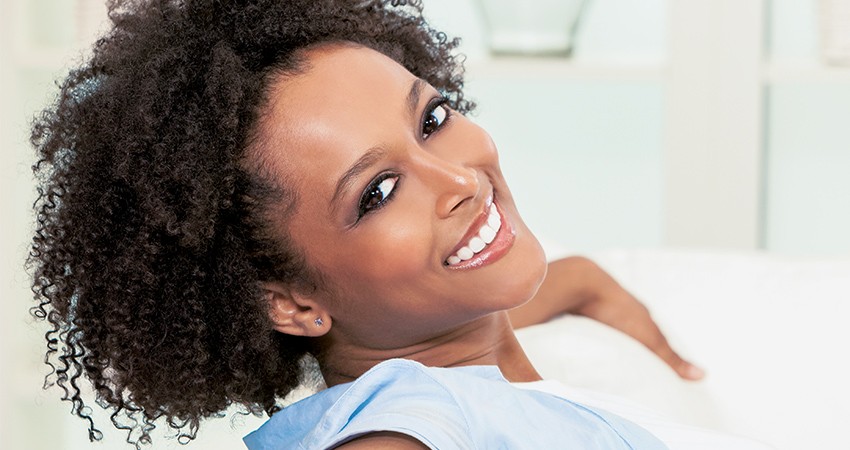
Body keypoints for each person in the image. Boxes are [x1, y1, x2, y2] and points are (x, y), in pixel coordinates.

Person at [29, 1, 770, 449]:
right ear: (289, 302)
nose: (459, 179)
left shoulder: (460, 354)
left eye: (434, 119)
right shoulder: (415, 414)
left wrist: (581, 285)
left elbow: (553, 293)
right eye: (378, 192)